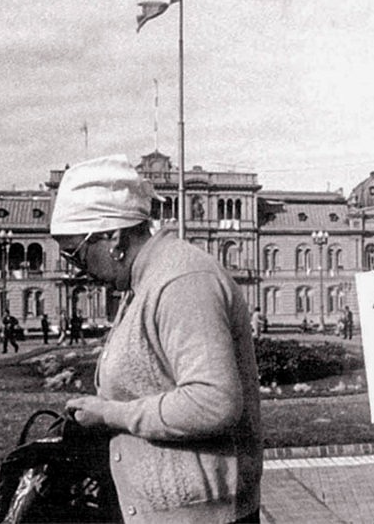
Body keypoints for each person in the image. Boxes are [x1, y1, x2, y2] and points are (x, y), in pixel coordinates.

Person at [51, 154, 262, 523]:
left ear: (113, 236)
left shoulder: (182, 280)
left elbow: (214, 402)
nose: (78, 270)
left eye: (75, 254)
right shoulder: (144, 281)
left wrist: (112, 415)